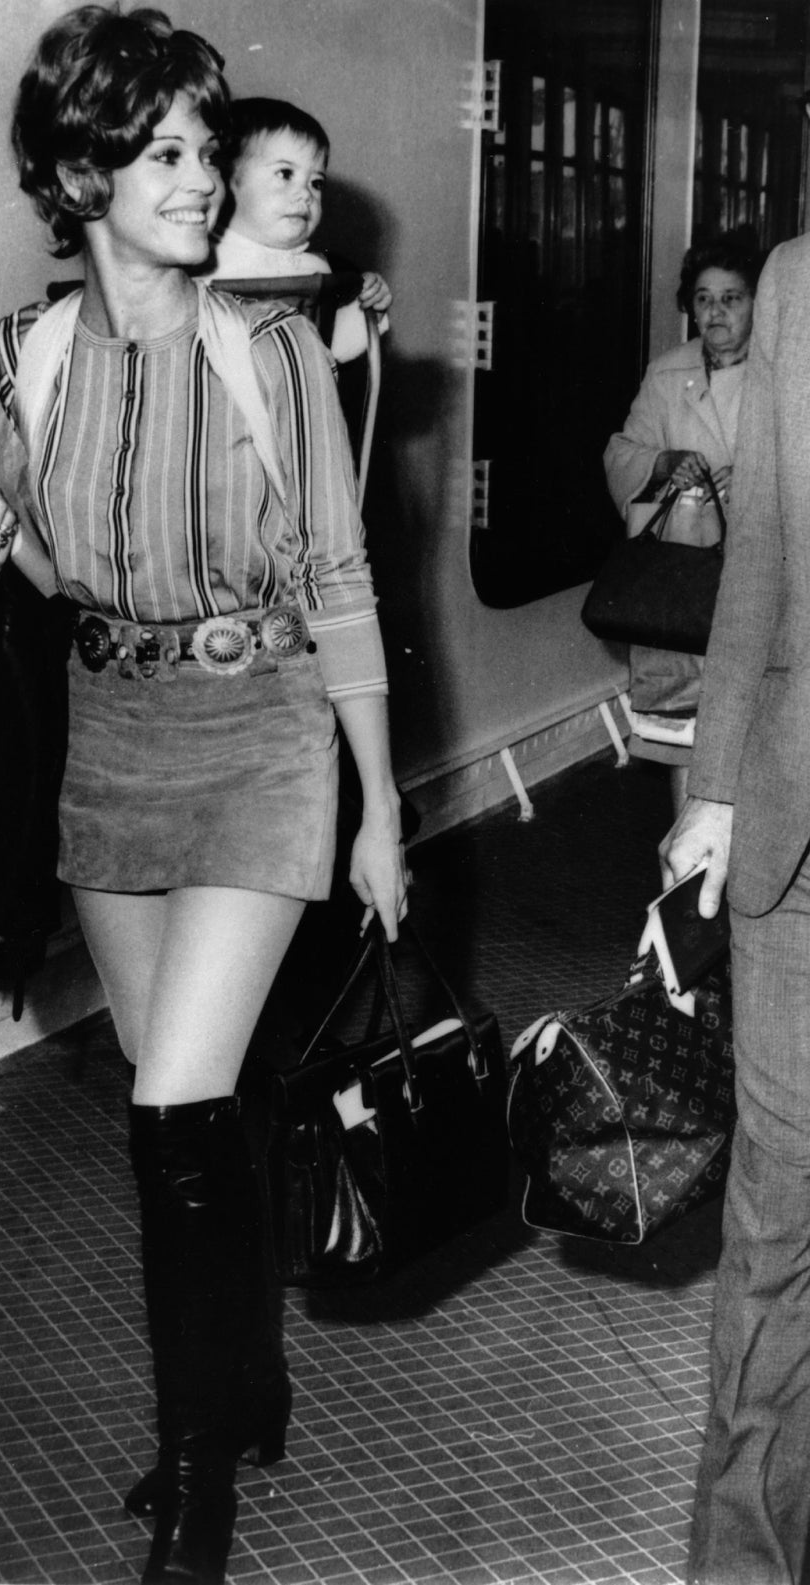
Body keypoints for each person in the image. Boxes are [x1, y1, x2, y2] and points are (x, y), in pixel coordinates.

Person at [0, 8, 408, 1583]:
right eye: (173, 152)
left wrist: (381, 807)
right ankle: (242, 1381)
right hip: (113, 737)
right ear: (82, 173)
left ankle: (198, 1472)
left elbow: (341, 581)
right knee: (187, 1105)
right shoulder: (18, 356)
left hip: (265, 730)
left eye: (210, 151)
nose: (206, 180)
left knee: (173, 1110)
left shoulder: (271, 349)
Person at [660, 224, 810, 1585]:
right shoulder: (800, 281)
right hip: (796, 825)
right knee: (778, 1209)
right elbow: (761, 538)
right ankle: (747, 1564)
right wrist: (712, 783)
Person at [604, 233, 761, 812]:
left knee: (752, 727)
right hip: (680, 585)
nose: (716, 313)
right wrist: (663, 463)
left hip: (753, 579)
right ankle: (688, 873)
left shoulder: (786, 375)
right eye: (703, 299)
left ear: (756, 304)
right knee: (684, 729)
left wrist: (747, 481)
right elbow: (621, 453)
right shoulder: (667, 373)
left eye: (732, 298)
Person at [203, 96, 391, 363]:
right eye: (285, 174)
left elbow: (328, 352)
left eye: (316, 183)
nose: (305, 194)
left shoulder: (315, 271)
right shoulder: (197, 261)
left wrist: (369, 309)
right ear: (225, 179)